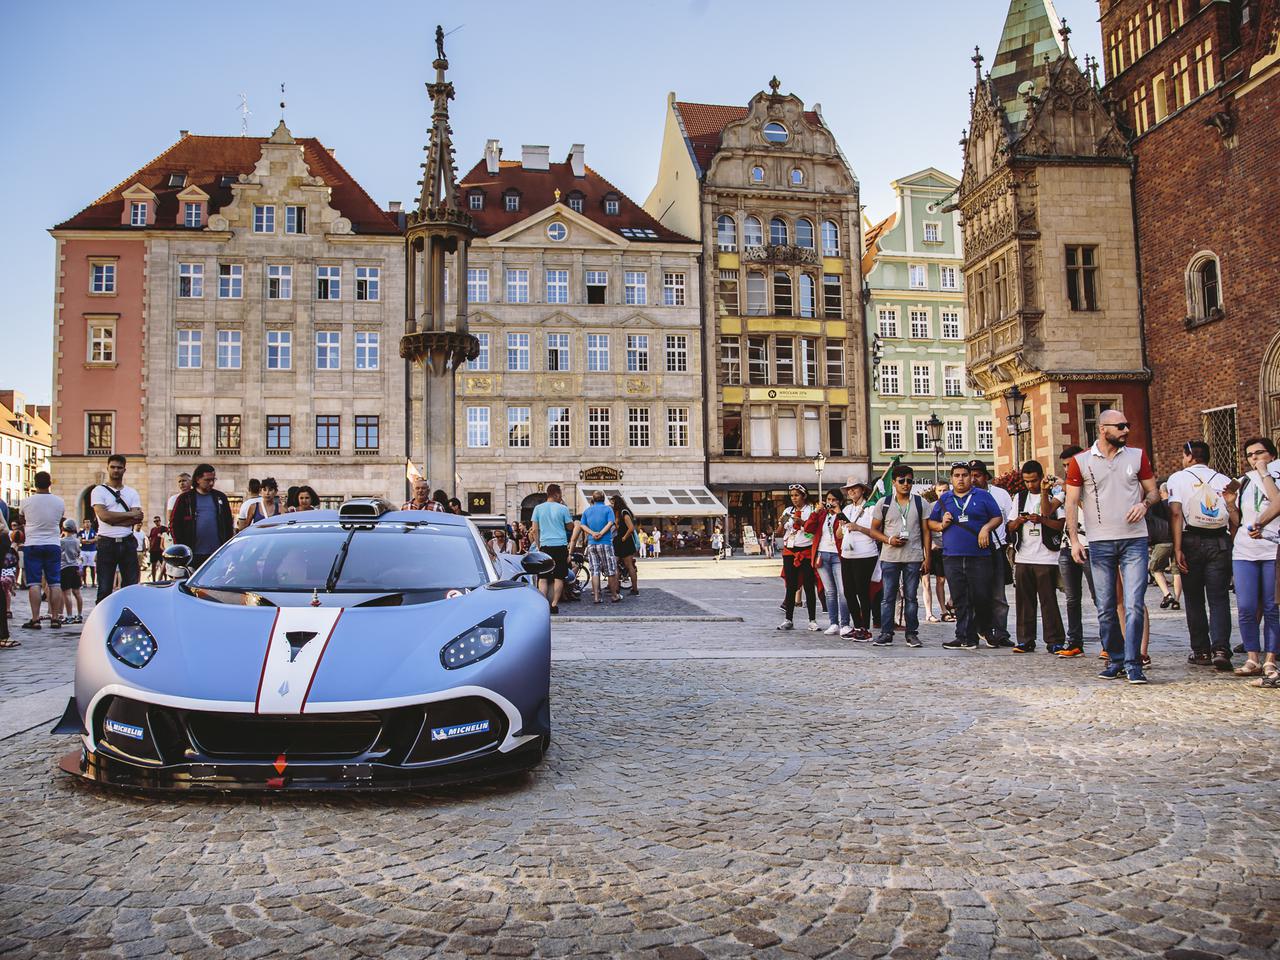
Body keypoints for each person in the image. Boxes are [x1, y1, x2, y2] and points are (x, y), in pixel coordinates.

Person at [1064, 411, 1159, 683]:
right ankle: (1115, 659)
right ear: (1103, 429)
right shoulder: (1080, 461)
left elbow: (1153, 491)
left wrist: (1145, 504)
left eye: (1127, 425)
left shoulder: (1136, 456)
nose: (1126, 430)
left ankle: (1134, 662)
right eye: (1120, 426)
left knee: (1134, 603)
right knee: (1105, 606)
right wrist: (1074, 540)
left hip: (1134, 540)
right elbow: (1071, 503)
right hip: (1100, 540)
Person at [1168, 440, 1234, 671]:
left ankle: (1201, 650)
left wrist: (1177, 548)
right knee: (1219, 599)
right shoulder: (1224, 479)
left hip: (1191, 540)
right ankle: (1221, 649)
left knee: (1194, 599)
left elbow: (1176, 514)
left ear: (1188, 456)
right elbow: (1234, 517)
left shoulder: (1178, 478)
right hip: (1220, 541)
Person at [929, 462, 1004, 651]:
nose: (960, 479)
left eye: (964, 475)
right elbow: (930, 522)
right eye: (957, 475)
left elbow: (997, 517)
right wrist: (940, 525)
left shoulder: (983, 496)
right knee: (960, 598)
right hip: (952, 555)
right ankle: (964, 636)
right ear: (952, 478)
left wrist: (986, 528)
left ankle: (985, 630)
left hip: (979, 555)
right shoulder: (944, 499)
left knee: (981, 596)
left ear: (970, 477)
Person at [1223, 438, 1280, 683]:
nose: (1255, 458)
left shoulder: (1275, 475)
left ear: (1272, 454)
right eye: (1250, 455)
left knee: (1272, 607)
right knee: (1246, 607)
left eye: (1260, 453)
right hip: (1245, 551)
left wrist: (1264, 472)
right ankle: (1252, 657)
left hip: (1272, 549)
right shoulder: (1244, 480)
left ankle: (1270, 659)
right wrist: (1230, 505)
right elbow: (1239, 521)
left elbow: (1277, 501)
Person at [1006, 460, 1066, 654]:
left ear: (1041, 478)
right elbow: (1010, 526)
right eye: (1026, 481)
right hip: (1024, 556)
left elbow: (1061, 525)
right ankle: (1025, 639)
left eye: (1033, 481)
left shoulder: (1053, 495)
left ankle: (1054, 640)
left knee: (1048, 601)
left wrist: (1041, 520)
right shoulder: (1019, 498)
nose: (1030, 485)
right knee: (1024, 602)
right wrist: (1020, 520)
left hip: (1046, 557)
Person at [869, 464, 931, 648]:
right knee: (888, 597)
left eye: (910, 481)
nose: (906, 484)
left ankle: (912, 633)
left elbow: (926, 532)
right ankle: (886, 633)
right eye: (902, 481)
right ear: (894, 483)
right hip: (890, 557)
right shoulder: (884, 503)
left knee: (911, 597)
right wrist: (889, 539)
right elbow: (873, 530)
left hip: (913, 556)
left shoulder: (920, 503)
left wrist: (928, 557)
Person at [1053, 447, 1095, 657]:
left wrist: (1071, 490)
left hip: (1090, 545)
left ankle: (1110, 643)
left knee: (1100, 597)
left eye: (1071, 465)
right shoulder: (1066, 487)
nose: (1068, 469)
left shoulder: (1091, 484)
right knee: (1071, 598)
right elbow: (1047, 510)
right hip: (1066, 547)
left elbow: (1088, 507)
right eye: (1065, 466)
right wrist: (1045, 491)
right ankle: (1075, 642)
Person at [969, 460, 1014, 648]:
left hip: (996, 547)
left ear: (986, 476)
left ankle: (1001, 632)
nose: (973, 479)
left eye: (977, 475)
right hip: (973, 550)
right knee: (975, 593)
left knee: (998, 595)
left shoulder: (1000, 494)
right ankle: (977, 630)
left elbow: (1010, 520)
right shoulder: (965, 496)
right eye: (970, 475)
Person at [91, 455, 144, 602]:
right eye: (113, 467)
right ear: (107, 468)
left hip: (128, 541)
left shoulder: (132, 492)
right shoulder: (98, 491)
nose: (116, 470)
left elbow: (138, 518)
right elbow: (104, 516)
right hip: (106, 542)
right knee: (104, 588)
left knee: (130, 587)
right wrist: (129, 515)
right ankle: (104, 622)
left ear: (124, 470)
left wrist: (116, 520)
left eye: (119, 467)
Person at [19, 470, 66, 629]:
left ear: (34, 483)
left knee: (34, 583)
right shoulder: (59, 502)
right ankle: (55, 617)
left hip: (33, 544)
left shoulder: (26, 502)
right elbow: (60, 522)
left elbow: (22, 520)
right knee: (55, 583)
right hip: (53, 543)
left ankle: (35, 618)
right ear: (50, 483)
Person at [169, 463, 235, 568]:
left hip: (216, 553)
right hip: (193, 554)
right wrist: (181, 548)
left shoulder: (220, 497)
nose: (211, 483)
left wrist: (227, 547)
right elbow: (174, 524)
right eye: (207, 480)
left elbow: (228, 523)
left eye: (213, 479)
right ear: (198, 479)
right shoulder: (185, 499)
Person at [837, 480, 879, 640]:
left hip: (865, 553)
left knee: (862, 591)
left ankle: (865, 627)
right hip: (848, 553)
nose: (851, 491)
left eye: (854, 488)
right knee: (848, 592)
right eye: (849, 489)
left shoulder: (870, 508)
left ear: (862, 490)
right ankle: (856, 625)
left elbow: (876, 532)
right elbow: (839, 535)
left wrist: (858, 527)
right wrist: (843, 526)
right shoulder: (847, 509)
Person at [776, 484, 820, 631]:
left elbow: (813, 532)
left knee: (808, 585)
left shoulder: (812, 510)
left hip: (806, 550)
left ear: (804, 495)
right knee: (791, 586)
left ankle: (812, 620)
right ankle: (788, 619)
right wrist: (782, 524)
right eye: (792, 495)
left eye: (796, 495)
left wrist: (802, 524)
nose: (794, 498)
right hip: (790, 551)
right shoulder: (788, 511)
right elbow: (780, 532)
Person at [530, 484, 574, 614]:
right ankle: (554, 604)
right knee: (559, 577)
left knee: (543, 577)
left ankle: (543, 603)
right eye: (560, 494)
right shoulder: (563, 509)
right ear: (556, 494)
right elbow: (570, 527)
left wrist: (538, 545)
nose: (561, 497)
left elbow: (534, 530)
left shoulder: (538, 508)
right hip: (560, 545)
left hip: (545, 545)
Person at [812, 488, 850, 636]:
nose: (831, 503)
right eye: (829, 500)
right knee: (830, 592)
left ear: (840, 501)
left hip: (838, 556)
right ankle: (833, 623)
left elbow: (847, 526)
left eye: (834, 500)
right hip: (823, 554)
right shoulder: (822, 515)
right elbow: (808, 527)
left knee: (843, 591)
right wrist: (816, 512)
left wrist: (838, 511)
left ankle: (845, 623)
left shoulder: (843, 513)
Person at [577, 490, 621, 604]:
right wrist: (601, 533)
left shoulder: (587, 511)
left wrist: (592, 533)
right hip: (605, 542)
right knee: (610, 570)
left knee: (595, 571)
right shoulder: (608, 509)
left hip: (592, 543)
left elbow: (582, 525)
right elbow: (610, 523)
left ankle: (596, 597)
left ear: (593, 499)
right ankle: (614, 595)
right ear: (603, 498)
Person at [1148, 481, 1182, 610]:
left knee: (1155, 569)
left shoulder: (1157, 506)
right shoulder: (1177, 505)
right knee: (1177, 571)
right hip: (1177, 541)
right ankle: (1177, 600)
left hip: (1162, 541)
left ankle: (1167, 594)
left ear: (1162, 492)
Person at [923, 480, 952, 623]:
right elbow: (926, 529)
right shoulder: (930, 507)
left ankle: (947, 607)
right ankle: (932, 612)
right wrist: (930, 544)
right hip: (932, 548)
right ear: (935, 491)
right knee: (928, 581)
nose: (942, 493)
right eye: (940, 490)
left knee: (946, 579)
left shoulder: (953, 505)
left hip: (949, 548)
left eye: (945, 490)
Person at [611, 495, 640, 596]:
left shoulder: (624, 512)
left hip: (625, 542)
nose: (611, 505)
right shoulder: (618, 513)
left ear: (617, 503)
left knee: (629, 566)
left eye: (612, 503)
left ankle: (635, 589)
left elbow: (631, 528)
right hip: (619, 542)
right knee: (615, 564)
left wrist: (624, 537)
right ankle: (616, 588)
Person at [60, 519, 84, 624]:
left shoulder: (61, 541)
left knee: (67, 594)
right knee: (77, 593)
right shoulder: (77, 541)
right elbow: (79, 554)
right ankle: (79, 615)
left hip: (64, 567)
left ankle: (69, 616)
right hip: (75, 567)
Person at [147, 515, 167, 582]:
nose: (156, 522)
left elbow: (167, 536)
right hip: (153, 550)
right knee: (153, 566)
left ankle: (165, 579)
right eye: (155, 521)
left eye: (157, 521)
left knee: (163, 566)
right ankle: (154, 580)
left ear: (160, 521)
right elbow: (150, 538)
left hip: (160, 550)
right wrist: (149, 547)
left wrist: (161, 536)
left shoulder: (164, 528)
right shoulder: (152, 529)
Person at [80, 520, 97, 588]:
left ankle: (93, 582)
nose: (87, 524)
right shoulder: (81, 532)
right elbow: (80, 539)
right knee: (84, 567)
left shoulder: (93, 531)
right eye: (85, 522)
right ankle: (84, 582)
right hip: (84, 550)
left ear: (90, 523)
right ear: (83, 524)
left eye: (88, 522)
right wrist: (89, 541)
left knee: (92, 567)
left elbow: (96, 539)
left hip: (92, 550)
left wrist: (87, 541)